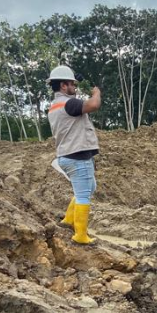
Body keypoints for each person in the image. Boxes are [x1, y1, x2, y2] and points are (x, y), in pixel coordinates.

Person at [48, 65, 101, 245]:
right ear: (63, 86)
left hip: (66, 155)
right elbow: (93, 104)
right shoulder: (69, 104)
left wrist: (77, 84)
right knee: (84, 195)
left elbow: (75, 105)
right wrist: (96, 93)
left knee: (89, 187)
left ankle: (69, 220)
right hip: (77, 157)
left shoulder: (57, 105)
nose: (74, 87)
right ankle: (80, 235)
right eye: (72, 84)